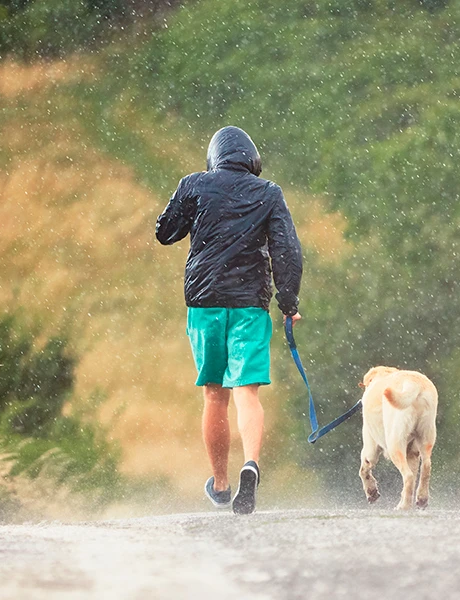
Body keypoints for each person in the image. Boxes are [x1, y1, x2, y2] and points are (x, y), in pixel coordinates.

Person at [155, 126, 303, 515]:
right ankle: (249, 465)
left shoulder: (195, 184)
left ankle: (221, 483)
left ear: (214, 157)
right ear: (251, 160)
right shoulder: (268, 192)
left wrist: (190, 203)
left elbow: (165, 233)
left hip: (204, 302)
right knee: (247, 392)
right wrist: (288, 301)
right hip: (250, 304)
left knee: (214, 394)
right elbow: (286, 248)